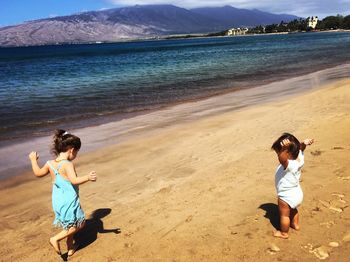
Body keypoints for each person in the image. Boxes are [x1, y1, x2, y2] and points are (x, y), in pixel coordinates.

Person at [29, 129, 97, 256]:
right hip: (69, 200)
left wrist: (33, 160)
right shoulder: (67, 164)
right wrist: (87, 177)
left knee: (70, 224)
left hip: (57, 201)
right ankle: (55, 239)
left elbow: (38, 173)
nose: (76, 155)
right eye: (76, 152)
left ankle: (71, 247)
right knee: (80, 223)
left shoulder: (50, 163)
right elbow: (74, 180)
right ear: (71, 150)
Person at [271, 133, 314, 239]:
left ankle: (284, 233)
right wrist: (303, 144)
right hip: (297, 193)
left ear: (287, 153)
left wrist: (284, 149)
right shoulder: (299, 159)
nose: (279, 154)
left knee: (284, 215)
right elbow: (300, 150)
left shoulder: (289, 165)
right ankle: (295, 224)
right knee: (293, 209)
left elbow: (282, 159)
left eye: (279, 152)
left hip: (286, 195)